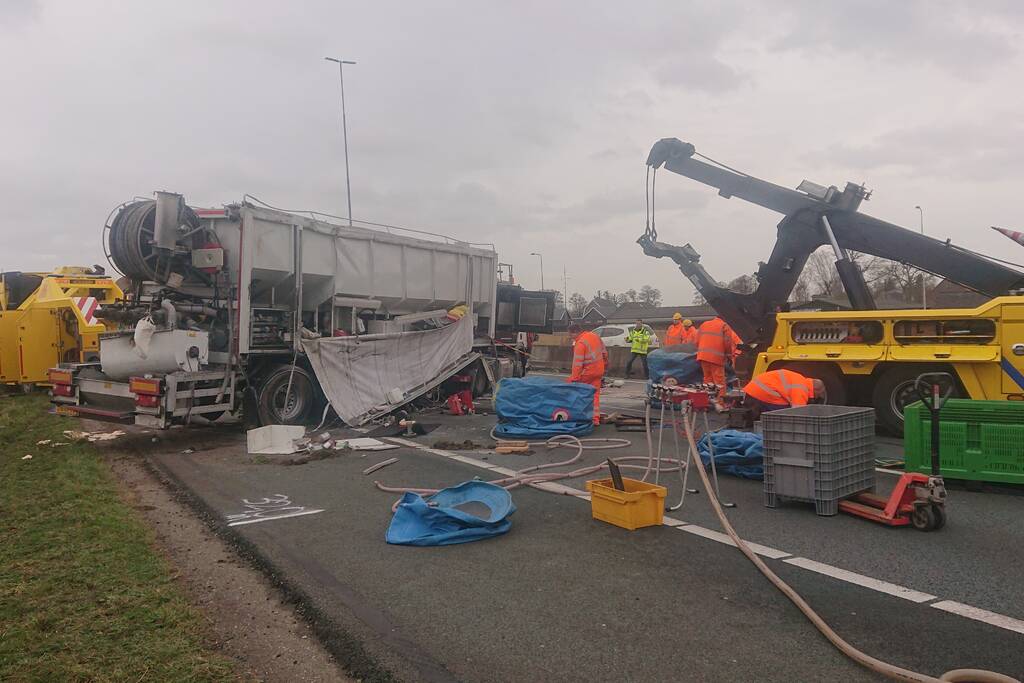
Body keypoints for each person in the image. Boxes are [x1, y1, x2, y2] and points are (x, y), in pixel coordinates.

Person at [743, 369, 827, 420]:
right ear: (815, 390)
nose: (816, 398)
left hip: (753, 390)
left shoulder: (801, 380)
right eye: (818, 396)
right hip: (762, 394)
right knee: (785, 413)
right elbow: (798, 413)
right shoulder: (802, 389)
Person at [567, 323, 608, 425]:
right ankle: (595, 419)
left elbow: (577, 364)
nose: (570, 338)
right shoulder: (595, 336)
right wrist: (604, 366)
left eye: (570, 335)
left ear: (575, 332)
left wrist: (574, 379)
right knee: (595, 395)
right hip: (599, 370)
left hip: (588, 372)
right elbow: (604, 353)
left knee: (579, 392)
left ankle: (578, 416)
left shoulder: (580, 343)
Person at [696, 316, 735, 404]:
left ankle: (707, 402)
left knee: (707, 380)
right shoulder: (724, 326)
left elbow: (696, 341)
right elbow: (727, 343)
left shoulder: (704, 324)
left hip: (703, 356)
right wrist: (729, 356)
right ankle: (721, 403)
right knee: (719, 382)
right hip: (716, 357)